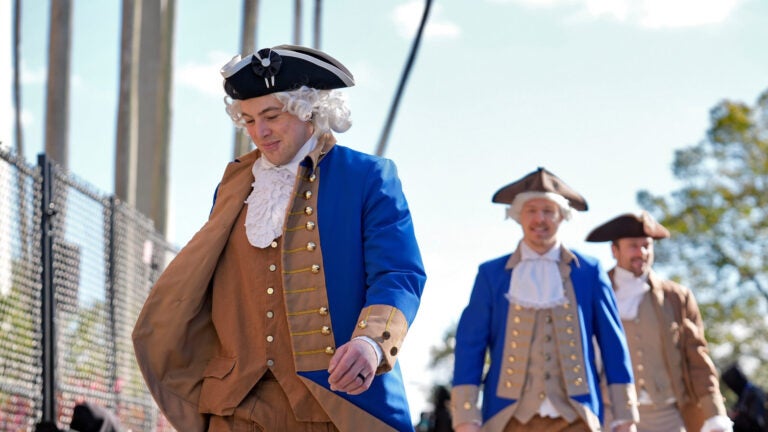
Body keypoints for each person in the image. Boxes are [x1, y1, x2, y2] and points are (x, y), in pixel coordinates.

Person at [132, 44, 426, 432]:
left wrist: (371, 343)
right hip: (235, 405)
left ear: (308, 110)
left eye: (272, 116)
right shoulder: (233, 185)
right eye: (249, 120)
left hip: (331, 407)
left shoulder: (367, 177)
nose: (260, 132)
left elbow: (399, 275)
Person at [451, 167, 639, 432]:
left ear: (562, 216)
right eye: (531, 210)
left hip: (577, 418)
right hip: (508, 419)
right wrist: (466, 417)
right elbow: (470, 347)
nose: (540, 218)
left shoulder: (588, 271)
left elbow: (613, 345)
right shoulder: (491, 274)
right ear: (518, 215)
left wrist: (625, 417)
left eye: (549, 211)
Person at [585, 211, 732, 432]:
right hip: (612, 415)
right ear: (614, 250)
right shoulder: (594, 294)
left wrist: (715, 414)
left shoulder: (676, 297)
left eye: (647, 246)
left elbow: (697, 358)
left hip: (667, 415)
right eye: (633, 246)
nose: (642, 252)